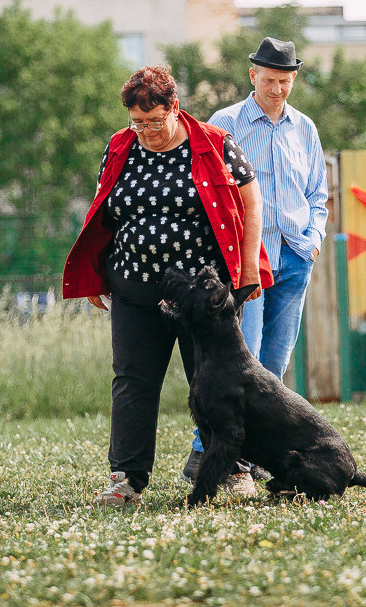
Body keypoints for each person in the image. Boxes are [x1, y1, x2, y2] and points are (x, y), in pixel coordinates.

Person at [62, 67, 273, 507]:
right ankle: (126, 479)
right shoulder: (120, 146)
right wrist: (98, 275)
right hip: (134, 288)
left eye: (154, 120)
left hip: (203, 295)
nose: (146, 131)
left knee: (217, 381)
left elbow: (252, 202)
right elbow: (105, 208)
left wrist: (248, 269)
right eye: (137, 122)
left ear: (174, 108)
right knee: (132, 382)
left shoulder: (214, 142)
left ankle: (234, 469)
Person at [182, 36, 328, 483]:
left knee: (275, 364)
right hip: (247, 261)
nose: (277, 89)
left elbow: (318, 193)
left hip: (295, 256)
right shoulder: (224, 124)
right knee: (237, 365)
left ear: (294, 79)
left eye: (285, 81)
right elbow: (204, 190)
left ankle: (259, 457)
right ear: (252, 76)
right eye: (270, 80)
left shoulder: (305, 128)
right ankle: (202, 455)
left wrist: (313, 241)